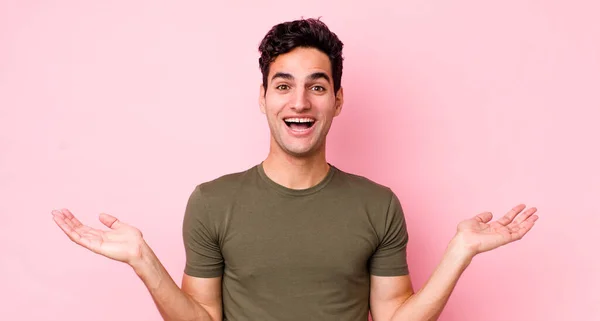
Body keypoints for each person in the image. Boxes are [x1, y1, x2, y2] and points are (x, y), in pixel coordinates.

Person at [52, 18, 539, 321]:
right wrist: (143, 259)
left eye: (317, 86)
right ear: (262, 98)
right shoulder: (212, 202)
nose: (300, 101)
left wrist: (461, 251)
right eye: (283, 85)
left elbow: (394, 318)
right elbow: (201, 319)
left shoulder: (378, 204)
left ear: (338, 100)